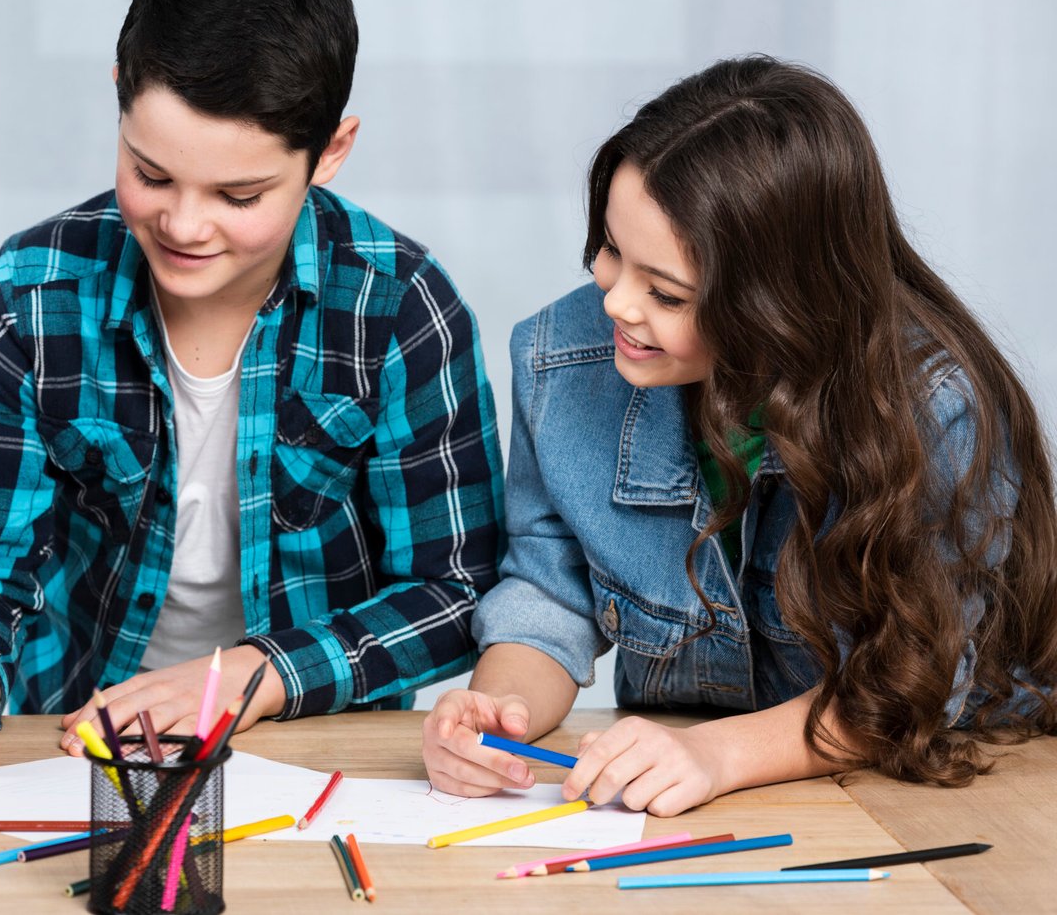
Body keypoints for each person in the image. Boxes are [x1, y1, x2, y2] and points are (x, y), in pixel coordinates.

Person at [0, 0, 504, 769]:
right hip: (67, 745)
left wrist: (258, 676)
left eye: (238, 195)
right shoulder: (24, 301)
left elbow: (457, 589)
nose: (182, 225)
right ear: (118, 97)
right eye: (150, 173)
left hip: (311, 748)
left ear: (331, 153)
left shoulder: (400, 309)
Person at [422, 55, 1057, 816]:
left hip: (932, 787)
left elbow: (905, 684)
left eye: (666, 292)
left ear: (777, 304)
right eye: (611, 250)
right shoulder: (561, 358)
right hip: (684, 793)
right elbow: (550, 590)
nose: (617, 303)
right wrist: (496, 711)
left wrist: (715, 755)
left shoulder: (933, 409)